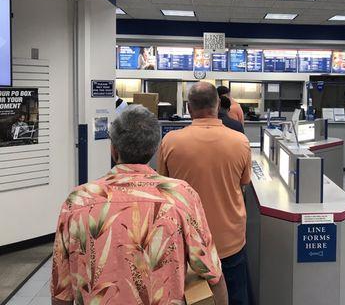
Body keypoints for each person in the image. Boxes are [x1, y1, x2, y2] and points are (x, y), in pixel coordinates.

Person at [50, 105, 228, 305]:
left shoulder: (78, 201)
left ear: (114, 149)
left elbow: (61, 290)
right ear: (154, 148)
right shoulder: (180, 196)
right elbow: (210, 270)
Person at [158, 82, 252, 305]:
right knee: (235, 295)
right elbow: (244, 182)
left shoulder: (170, 142)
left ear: (189, 108)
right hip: (229, 240)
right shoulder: (240, 142)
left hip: (185, 242)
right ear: (218, 104)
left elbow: (164, 185)